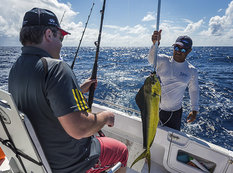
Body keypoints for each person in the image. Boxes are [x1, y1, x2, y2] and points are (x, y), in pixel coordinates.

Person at [8, 8, 128, 173]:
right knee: (121, 150)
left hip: (37, 159)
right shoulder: (56, 68)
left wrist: (78, 91)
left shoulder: (16, 68)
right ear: (49, 34)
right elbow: (80, 129)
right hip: (70, 163)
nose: (62, 43)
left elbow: (42, 102)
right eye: (61, 37)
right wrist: (106, 116)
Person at [148, 30, 199, 131]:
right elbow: (151, 59)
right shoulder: (163, 60)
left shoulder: (191, 70)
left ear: (189, 51)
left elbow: (194, 90)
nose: (178, 51)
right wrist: (155, 44)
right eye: (176, 47)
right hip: (155, 108)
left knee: (171, 141)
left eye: (183, 50)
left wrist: (194, 109)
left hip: (175, 113)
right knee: (150, 136)